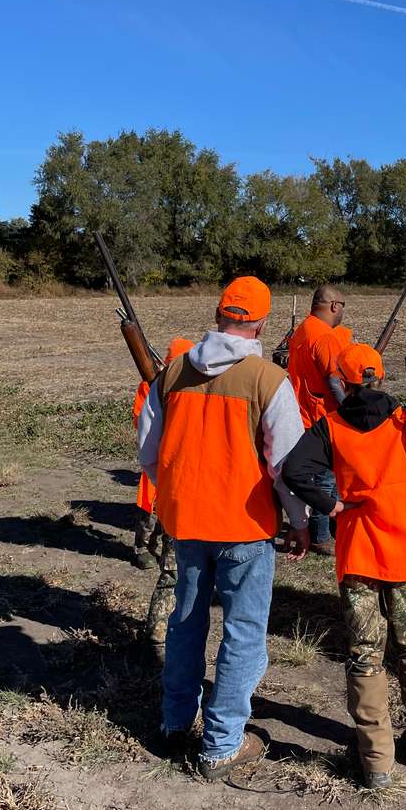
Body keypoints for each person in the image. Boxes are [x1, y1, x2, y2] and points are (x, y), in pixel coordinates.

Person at [137, 276, 309, 779]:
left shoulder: (170, 374)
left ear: (218, 313)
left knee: (185, 623)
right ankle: (221, 744)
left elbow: (150, 454)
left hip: (186, 525)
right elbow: (286, 466)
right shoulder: (268, 379)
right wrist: (298, 521)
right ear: (260, 321)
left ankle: (173, 726)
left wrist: (175, 497)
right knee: (243, 632)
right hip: (245, 528)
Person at [282, 343, 406, 790]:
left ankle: (376, 758)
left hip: (357, 554)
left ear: (343, 380)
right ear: (380, 377)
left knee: (364, 654)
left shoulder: (331, 427)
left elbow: (294, 471)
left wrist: (330, 503)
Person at [130, 337, 194, 658]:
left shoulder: (163, 388)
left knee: (174, 572)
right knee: (178, 572)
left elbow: (147, 445)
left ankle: (160, 634)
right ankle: (161, 635)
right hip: (183, 494)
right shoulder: (195, 393)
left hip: (175, 492)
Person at [287, 284, 354, 555]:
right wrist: (351, 409)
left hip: (301, 414)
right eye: (343, 308)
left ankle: (323, 528)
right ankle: (321, 536)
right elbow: (334, 381)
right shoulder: (325, 337)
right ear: (334, 306)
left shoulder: (302, 329)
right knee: (325, 479)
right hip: (322, 416)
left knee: (318, 477)